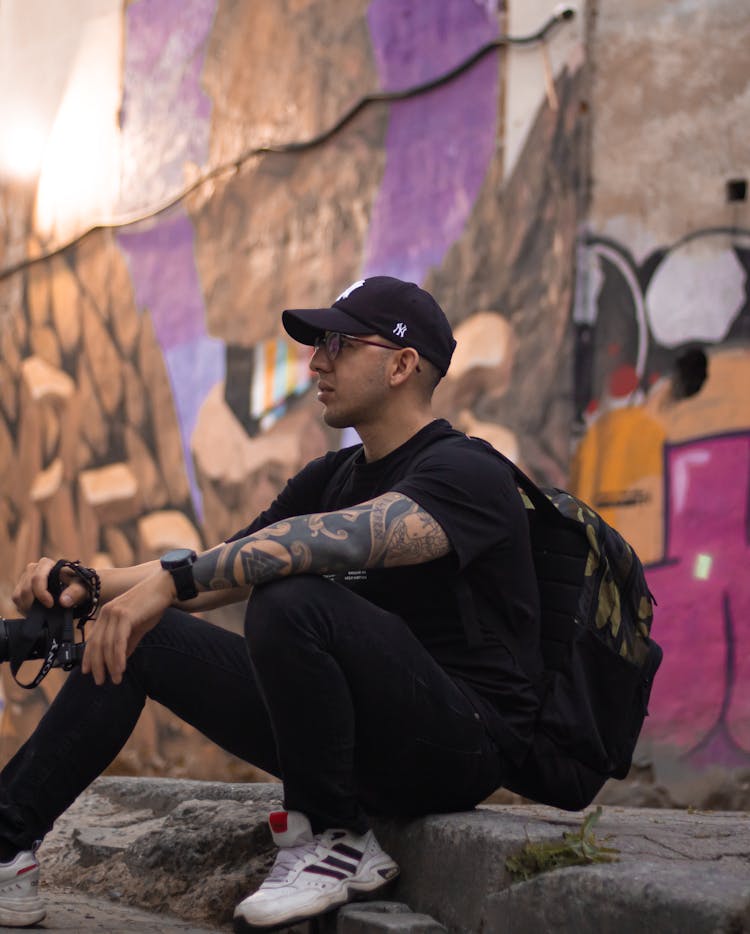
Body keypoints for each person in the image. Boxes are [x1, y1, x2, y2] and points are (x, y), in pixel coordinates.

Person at [0, 275, 543, 932]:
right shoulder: (332, 477)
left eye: (339, 344)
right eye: (319, 345)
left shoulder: (469, 472)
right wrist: (90, 581)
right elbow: (220, 568)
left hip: (459, 747)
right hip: (353, 737)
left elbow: (321, 545)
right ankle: (8, 848)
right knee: (145, 636)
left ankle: (333, 839)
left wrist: (167, 586)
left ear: (402, 365)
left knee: (292, 595)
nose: (316, 362)